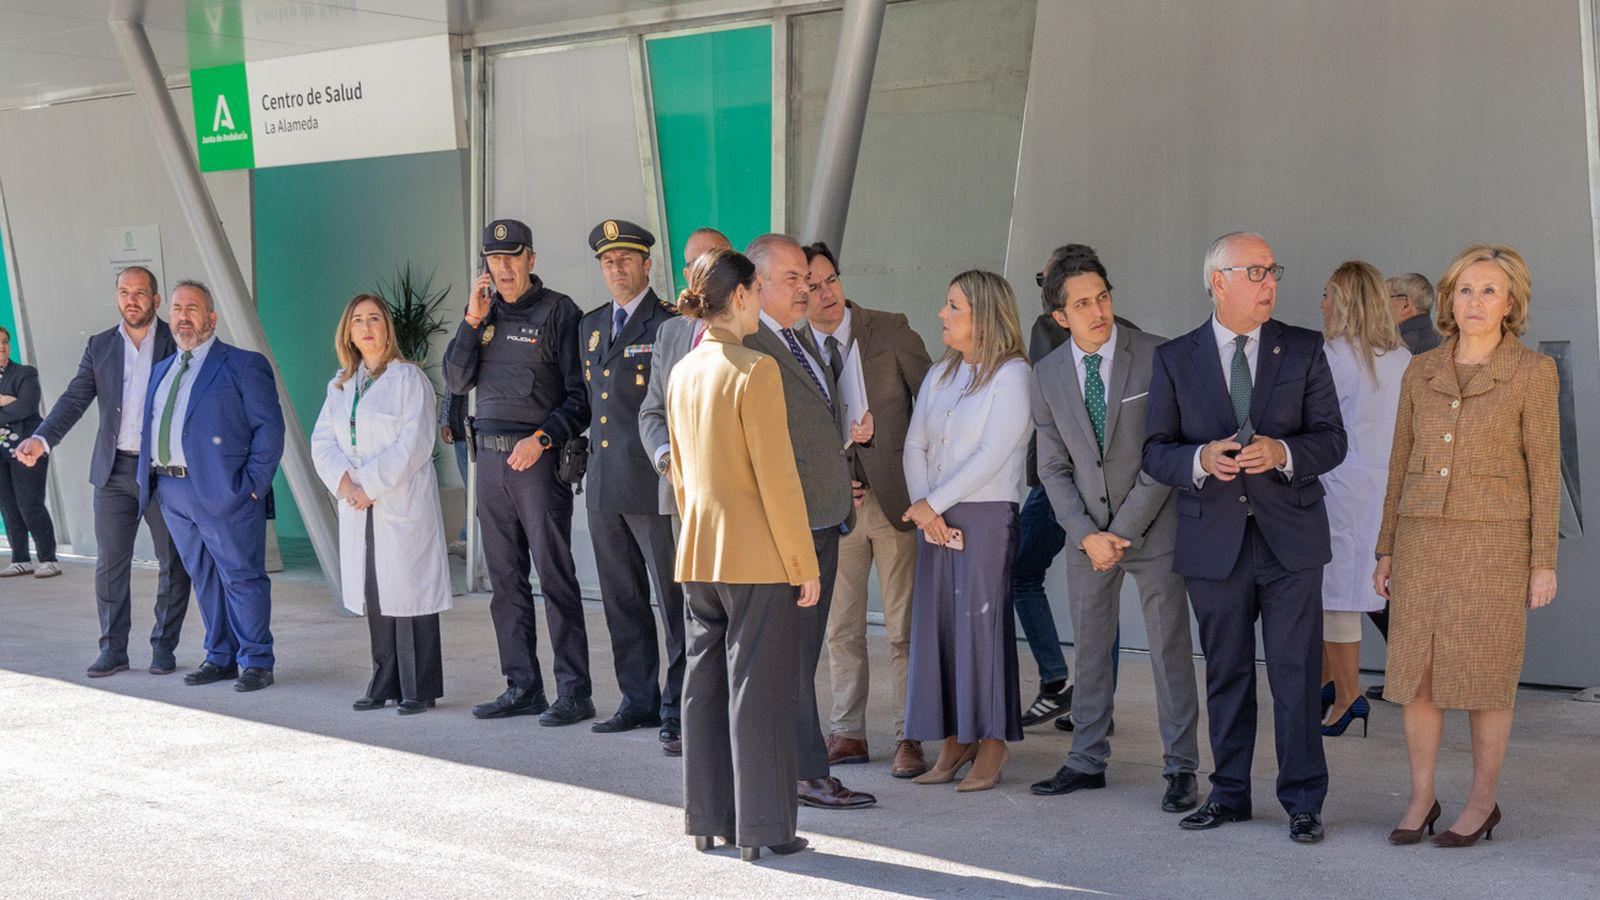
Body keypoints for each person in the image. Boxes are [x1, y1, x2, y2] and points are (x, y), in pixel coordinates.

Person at [1143, 232, 1346, 844]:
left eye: (1272, 271)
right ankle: (1229, 794)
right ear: (1219, 281)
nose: (1269, 283)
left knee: (1295, 672)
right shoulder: (1176, 357)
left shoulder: (1304, 347)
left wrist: (1283, 450)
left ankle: (1303, 802)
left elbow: (1332, 439)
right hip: (1214, 543)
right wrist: (1201, 459)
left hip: (1291, 540)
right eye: (1255, 272)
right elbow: (1156, 452)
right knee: (1227, 674)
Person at [1374, 243, 1558, 847]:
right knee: (1420, 677)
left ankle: (1482, 802)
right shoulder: (1419, 368)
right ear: (1449, 299)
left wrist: (1542, 563)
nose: (1475, 301)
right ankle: (1422, 796)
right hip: (1422, 540)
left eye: (1489, 291)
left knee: (1484, 677)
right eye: (1465, 290)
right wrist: (1386, 549)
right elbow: (1398, 463)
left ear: (1511, 303)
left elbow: (1545, 473)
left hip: (1495, 548)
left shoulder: (1532, 372)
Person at [1027, 246, 1201, 812]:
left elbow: (1166, 451)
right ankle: (1085, 759)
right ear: (1060, 317)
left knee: (1169, 650)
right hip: (1087, 538)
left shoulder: (1156, 355)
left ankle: (1180, 767)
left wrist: (1118, 531)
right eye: (1082, 303)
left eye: (1102, 297)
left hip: (1152, 529)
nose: (1098, 311)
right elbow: (1051, 466)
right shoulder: (1047, 374)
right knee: (1091, 652)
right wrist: (1084, 534)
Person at [669, 247, 820, 861]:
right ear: (738, 297)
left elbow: (679, 476)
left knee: (703, 686)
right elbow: (778, 480)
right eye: (757, 290)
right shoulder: (754, 370)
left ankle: (707, 819)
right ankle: (765, 829)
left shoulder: (683, 370)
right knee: (761, 693)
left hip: (698, 550)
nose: (761, 301)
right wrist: (803, 564)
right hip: (755, 555)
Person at [744, 232, 875, 811]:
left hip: (825, 519)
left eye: (809, 277)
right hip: (790, 530)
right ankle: (804, 773)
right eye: (793, 278)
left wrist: (839, 468)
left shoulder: (803, 343)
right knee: (795, 658)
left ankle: (795, 769)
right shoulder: (752, 350)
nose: (806, 288)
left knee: (803, 652)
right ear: (758, 286)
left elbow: (812, 433)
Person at [443, 219, 593, 725]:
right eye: (494, 259)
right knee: (505, 582)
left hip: (537, 462)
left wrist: (543, 439)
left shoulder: (559, 312)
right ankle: (521, 686)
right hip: (489, 463)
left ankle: (574, 692)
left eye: (513, 257)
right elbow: (456, 379)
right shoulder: (480, 317)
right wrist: (470, 320)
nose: (503, 268)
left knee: (555, 578)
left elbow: (581, 397)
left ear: (531, 258)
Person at [15, 267, 190, 676]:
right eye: (124, 292)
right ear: (116, 298)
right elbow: (74, 400)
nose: (132, 300)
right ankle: (113, 648)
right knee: (110, 564)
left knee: (174, 561)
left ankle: (164, 646)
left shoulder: (176, 342)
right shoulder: (100, 346)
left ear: (156, 300)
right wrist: (41, 440)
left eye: (140, 293)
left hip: (163, 472)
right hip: (113, 472)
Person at [805, 241, 934, 779]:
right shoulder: (793, 347)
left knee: (904, 626)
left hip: (897, 501)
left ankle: (911, 736)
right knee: (841, 628)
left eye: (830, 279)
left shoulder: (890, 327)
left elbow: (931, 408)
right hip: (839, 509)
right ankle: (848, 732)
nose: (824, 293)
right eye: (810, 287)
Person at [901, 269, 1032, 792]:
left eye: (954, 306)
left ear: (983, 314)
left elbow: (991, 455)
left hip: (984, 515)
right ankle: (956, 737)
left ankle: (992, 740)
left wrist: (931, 504)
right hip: (934, 516)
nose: (942, 314)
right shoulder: (940, 373)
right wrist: (924, 509)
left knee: (981, 629)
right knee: (940, 627)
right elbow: (914, 444)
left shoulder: (1013, 375)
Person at [137, 280, 285, 693]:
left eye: (193, 309)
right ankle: (220, 656)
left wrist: (252, 486)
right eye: (178, 308)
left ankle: (256, 659)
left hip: (227, 492)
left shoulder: (242, 364)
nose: (184, 316)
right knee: (204, 577)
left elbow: (269, 430)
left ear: (211, 318)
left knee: (241, 577)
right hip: (173, 492)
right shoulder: (162, 370)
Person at [311, 294, 452, 715]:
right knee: (375, 592)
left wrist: (369, 485)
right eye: (358, 320)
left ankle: (418, 687)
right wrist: (344, 483)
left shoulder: (410, 379)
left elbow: (414, 444)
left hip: (397, 499)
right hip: (358, 502)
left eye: (375, 318)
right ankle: (383, 680)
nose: (367, 326)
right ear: (348, 332)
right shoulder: (340, 384)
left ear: (387, 328)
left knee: (409, 594)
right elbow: (323, 442)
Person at [1015, 247, 1135, 731]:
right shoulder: (1120, 327)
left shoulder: (1052, 329)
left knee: (1023, 573)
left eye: (1043, 278)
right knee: (1094, 591)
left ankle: (1062, 686)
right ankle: (1083, 697)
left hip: (1060, 478)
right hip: (1076, 476)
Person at [577, 218, 686, 751]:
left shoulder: (668, 323)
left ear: (647, 264)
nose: (616, 269)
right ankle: (636, 700)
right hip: (603, 486)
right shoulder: (592, 325)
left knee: (672, 601)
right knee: (622, 599)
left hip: (651, 484)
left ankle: (678, 705)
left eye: (625, 259)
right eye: (607, 261)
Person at [639, 226, 732, 758]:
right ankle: (687, 718)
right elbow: (652, 410)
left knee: (732, 614)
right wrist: (666, 460)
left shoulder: (752, 329)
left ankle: (728, 719)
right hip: (681, 499)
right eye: (696, 264)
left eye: (715, 262)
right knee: (689, 613)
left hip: (734, 502)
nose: (703, 272)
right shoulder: (673, 335)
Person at [1317, 262, 1410, 735]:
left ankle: (1348, 696)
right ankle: (1329, 684)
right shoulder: (1401, 357)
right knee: (1360, 588)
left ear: (1345, 299)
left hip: (1339, 484)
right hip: (1387, 485)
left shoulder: (1333, 355)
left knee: (1337, 594)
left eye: (1328, 293)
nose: (1322, 302)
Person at [1366, 272, 1439, 701]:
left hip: (1404, 478)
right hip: (1421, 479)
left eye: (1386, 298)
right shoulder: (1433, 342)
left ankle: (1413, 675)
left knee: (1384, 581)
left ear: (1405, 304)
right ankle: (1412, 674)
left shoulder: (1406, 350)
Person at [0, 325, 59, 579]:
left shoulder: (25, 373)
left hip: (27, 448)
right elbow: (13, 407)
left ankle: (48, 558)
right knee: (8, 505)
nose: (1, 346)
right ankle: (20, 559)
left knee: (29, 504)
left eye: (4, 342)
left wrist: (13, 403)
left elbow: (26, 407)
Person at [438, 389, 470, 557]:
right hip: (461, 434)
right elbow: (450, 389)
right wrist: (445, 422)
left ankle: (467, 539)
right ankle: (467, 540)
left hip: (484, 435)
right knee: (471, 490)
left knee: (480, 492)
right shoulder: (458, 364)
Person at [1389, 272, 1442, 355]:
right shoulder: (1440, 340)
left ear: (1405, 305)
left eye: (1385, 298)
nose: (1380, 307)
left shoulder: (1403, 347)